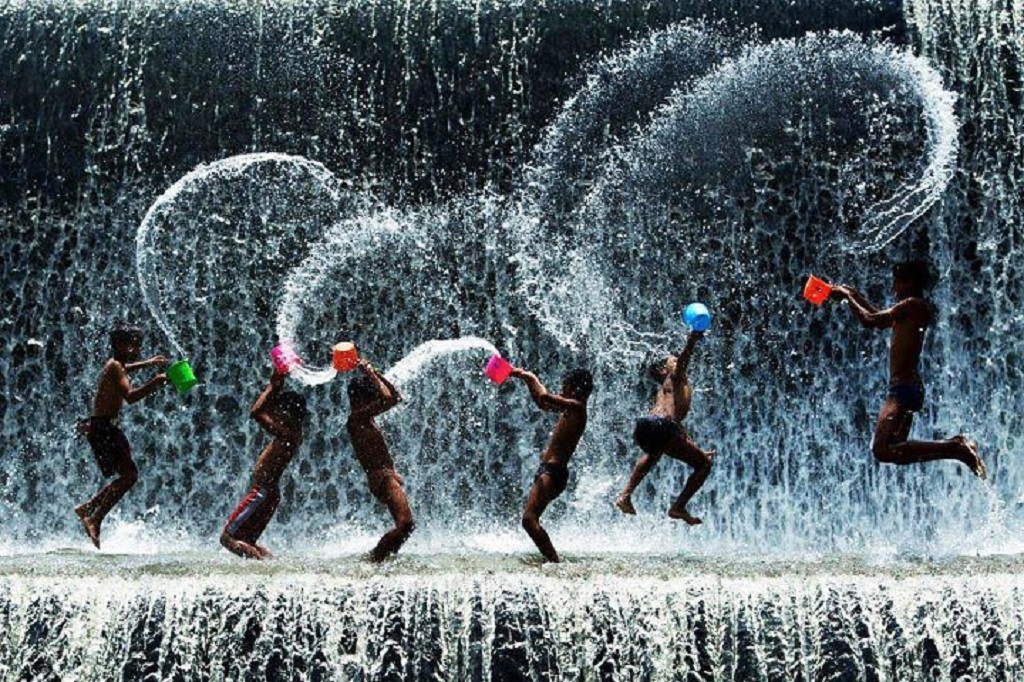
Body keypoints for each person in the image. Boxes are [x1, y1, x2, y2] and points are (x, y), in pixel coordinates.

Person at [830, 260, 985, 476]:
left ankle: (954, 447)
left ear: (910, 282)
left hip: (903, 389)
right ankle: (953, 447)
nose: (893, 288)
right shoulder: (909, 309)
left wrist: (847, 299)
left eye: (897, 282)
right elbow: (879, 318)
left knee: (882, 450)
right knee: (894, 451)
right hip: (904, 387)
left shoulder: (912, 305)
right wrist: (853, 293)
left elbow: (870, 320)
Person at [74, 323, 169, 549]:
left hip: (105, 427)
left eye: (139, 347)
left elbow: (125, 368)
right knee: (128, 477)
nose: (137, 350)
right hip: (104, 428)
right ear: (119, 345)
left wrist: (147, 364)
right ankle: (93, 517)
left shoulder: (117, 365)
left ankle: (88, 509)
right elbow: (131, 396)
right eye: (133, 346)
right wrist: (155, 382)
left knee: (127, 476)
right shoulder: (115, 367)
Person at [615, 330, 715, 525]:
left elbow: (676, 429)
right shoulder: (675, 378)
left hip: (646, 425)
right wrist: (692, 340)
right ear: (664, 370)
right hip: (661, 425)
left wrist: (696, 449)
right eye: (673, 361)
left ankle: (625, 496)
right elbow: (685, 359)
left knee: (656, 451)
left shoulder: (667, 391)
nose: (678, 362)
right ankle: (678, 507)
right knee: (703, 465)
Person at [220, 367, 307, 560]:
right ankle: (271, 565)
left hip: (262, 492)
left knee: (227, 538)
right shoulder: (294, 434)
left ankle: (262, 567)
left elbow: (256, 412)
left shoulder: (286, 434)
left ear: (288, 414)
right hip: (269, 493)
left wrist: (273, 386)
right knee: (248, 540)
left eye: (279, 411)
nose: (275, 414)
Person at [509, 365, 593, 563]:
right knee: (530, 519)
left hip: (553, 473)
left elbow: (546, 398)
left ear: (575, 389)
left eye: (564, 387)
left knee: (529, 519)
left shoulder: (578, 408)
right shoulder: (570, 409)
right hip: (548, 471)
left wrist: (529, 376)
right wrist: (527, 381)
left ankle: (555, 562)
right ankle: (553, 560)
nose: (561, 391)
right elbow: (543, 403)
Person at [346, 358, 414, 562]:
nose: (373, 401)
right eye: (369, 397)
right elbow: (388, 399)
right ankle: (374, 559)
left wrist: (376, 373)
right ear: (361, 399)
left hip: (386, 476)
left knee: (406, 526)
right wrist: (371, 374)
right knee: (405, 524)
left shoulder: (364, 420)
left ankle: (382, 558)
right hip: (382, 478)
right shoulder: (355, 419)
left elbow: (396, 397)